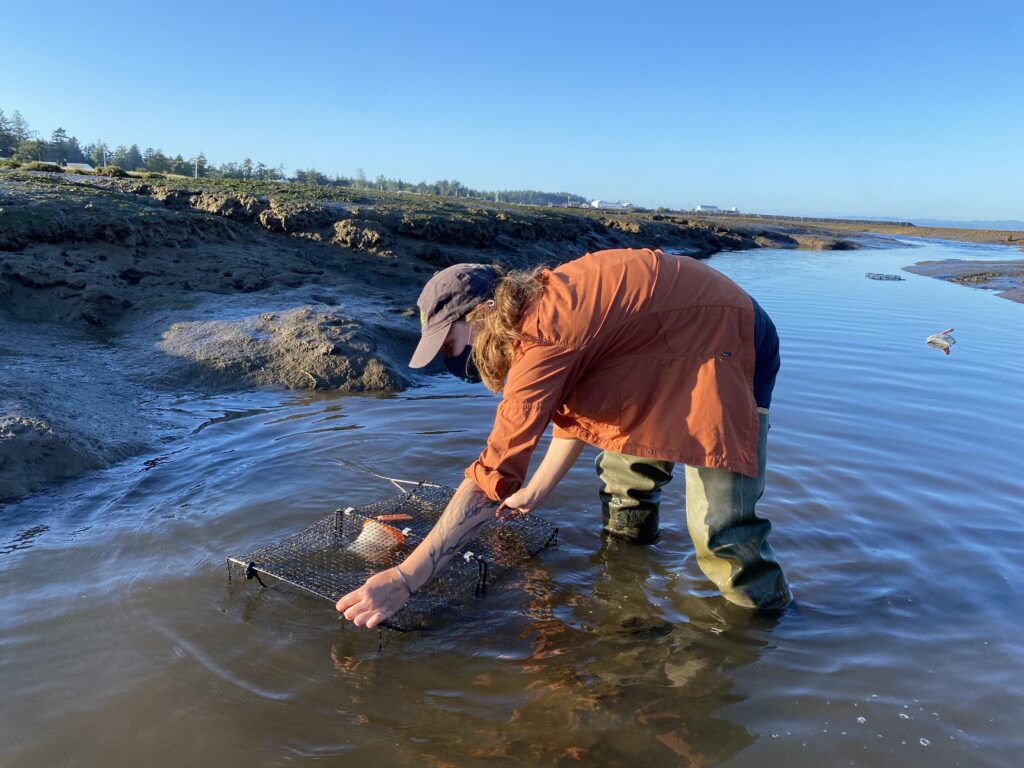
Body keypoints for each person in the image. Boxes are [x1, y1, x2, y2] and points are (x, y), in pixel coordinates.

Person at [336, 248, 791, 628]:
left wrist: (405, 577)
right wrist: (536, 489)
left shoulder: (544, 333)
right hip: (657, 349)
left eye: (450, 345)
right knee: (623, 479)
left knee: (720, 529)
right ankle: (626, 591)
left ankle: (762, 631)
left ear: (482, 315)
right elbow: (575, 412)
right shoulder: (533, 314)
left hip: (728, 340)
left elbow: (492, 473)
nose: (450, 362)